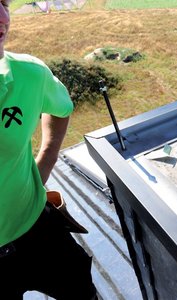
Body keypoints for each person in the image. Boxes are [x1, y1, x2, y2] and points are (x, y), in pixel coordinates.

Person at [0, 1, 97, 299]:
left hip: (37, 229)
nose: (1, 17)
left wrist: (47, 159)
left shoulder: (29, 75)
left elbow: (60, 108)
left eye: (3, 2)